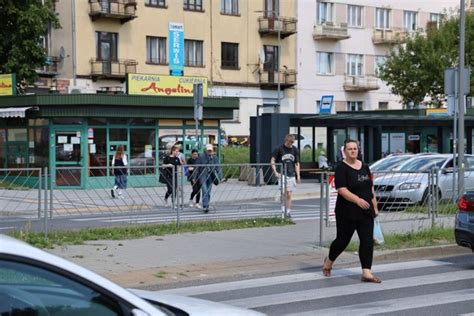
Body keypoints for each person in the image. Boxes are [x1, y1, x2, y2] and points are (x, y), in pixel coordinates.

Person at [322, 139, 381, 283]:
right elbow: (341, 189)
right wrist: (357, 200)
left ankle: (366, 272)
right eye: (350, 149)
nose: (353, 151)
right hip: (347, 211)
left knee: (367, 241)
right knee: (342, 241)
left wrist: (375, 206)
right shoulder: (341, 168)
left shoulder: (365, 167)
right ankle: (328, 262)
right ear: (345, 151)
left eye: (355, 148)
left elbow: (370, 187)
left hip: (366, 211)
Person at [270, 134, 301, 218]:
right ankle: (283, 211)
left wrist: (298, 175)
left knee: (289, 194)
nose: (291, 144)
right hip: (282, 173)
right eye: (290, 142)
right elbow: (272, 160)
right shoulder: (279, 149)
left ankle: (288, 212)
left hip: (291, 174)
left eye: (292, 143)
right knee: (283, 193)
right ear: (286, 141)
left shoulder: (294, 149)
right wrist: (275, 171)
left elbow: (297, 163)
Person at [193, 144, 221, 213]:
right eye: (208, 150)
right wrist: (194, 177)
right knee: (204, 190)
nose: (209, 152)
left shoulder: (215, 157)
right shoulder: (201, 157)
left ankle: (207, 204)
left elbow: (218, 168)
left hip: (211, 177)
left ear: (212, 150)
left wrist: (220, 177)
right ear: (206, 150)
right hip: (203, 176)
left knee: (208, 192)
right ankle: (205, 206)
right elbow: (197, 167)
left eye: (210, 150)